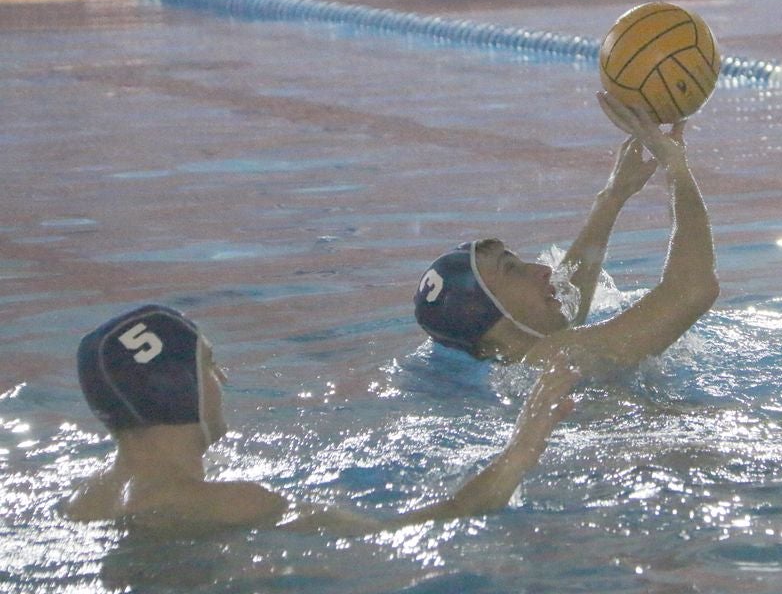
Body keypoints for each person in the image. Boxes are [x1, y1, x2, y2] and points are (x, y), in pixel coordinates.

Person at [61, 304, 578, 536]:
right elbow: (394, 533)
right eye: (209, 366)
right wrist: (522, 450)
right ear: (182, 388)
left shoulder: (81, 503)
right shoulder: (238, 502)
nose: (224, 380)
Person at [414, 93, 719, 373]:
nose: (544, 270)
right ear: (492, 325)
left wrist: (613, 197)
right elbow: (694, 290)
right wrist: (675, 166)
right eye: (512, 270)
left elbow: (568, 302)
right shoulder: (556, 358)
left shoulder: (527, 363)